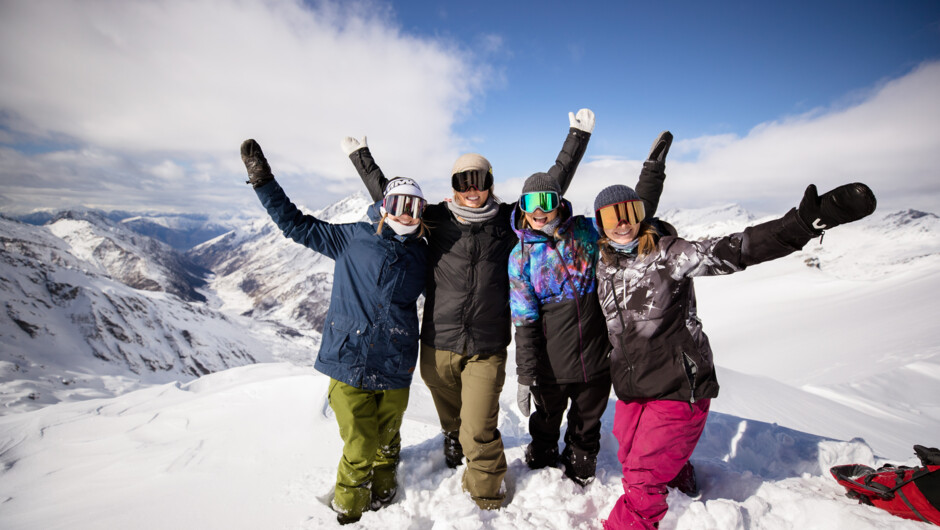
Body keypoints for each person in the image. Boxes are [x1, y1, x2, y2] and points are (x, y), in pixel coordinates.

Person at [340, 109, 595, 509]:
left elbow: (546, 193)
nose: (472, 188)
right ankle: (451, 435)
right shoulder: (437, 219)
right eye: (464, 181)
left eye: (480, 180)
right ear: (454, 186)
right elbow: (392, 201)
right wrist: (363, 161)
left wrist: (576, 139)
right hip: (437, 344)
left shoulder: (508, 222)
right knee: (454, 418)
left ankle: (487, 497)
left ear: (490, 183)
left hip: (486, 345)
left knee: (479, 428)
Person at [592, 178, 877, 529]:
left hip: (680, 384)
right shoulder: (604, 265)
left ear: (642, 216)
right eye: (611, 217)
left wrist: (802, 224)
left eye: (630, 211)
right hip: (633, 386)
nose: (622, 222)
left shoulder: (668, 254)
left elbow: (736, 249)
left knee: (642, 475)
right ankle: (680, 477)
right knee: (628, 452)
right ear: (598, 226)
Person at [239, 139, 429, 525]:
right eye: (399, 205)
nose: (407, 215)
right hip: (350, 361)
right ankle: (348, 511)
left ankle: (386, 495)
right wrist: (263, 181)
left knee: (388, 441)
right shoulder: (351, 238)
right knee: (360, 444)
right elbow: (295, 224)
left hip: (396, 365)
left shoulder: (424, 254)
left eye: (415, 208)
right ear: (384, 206)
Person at [508, 131, 673, 487]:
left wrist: (652, 171)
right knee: (547, 418)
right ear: (521, 207)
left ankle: (581, 460)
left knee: (588, 419)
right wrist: (527, 373)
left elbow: (628, 219)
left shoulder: (585, 231)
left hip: (596, 358)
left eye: (546, 200)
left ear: (558, 201)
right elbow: (524, 321)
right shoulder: (520, 257)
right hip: (551, 363)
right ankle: (542, 454)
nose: (539, 211)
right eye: (530, 202)